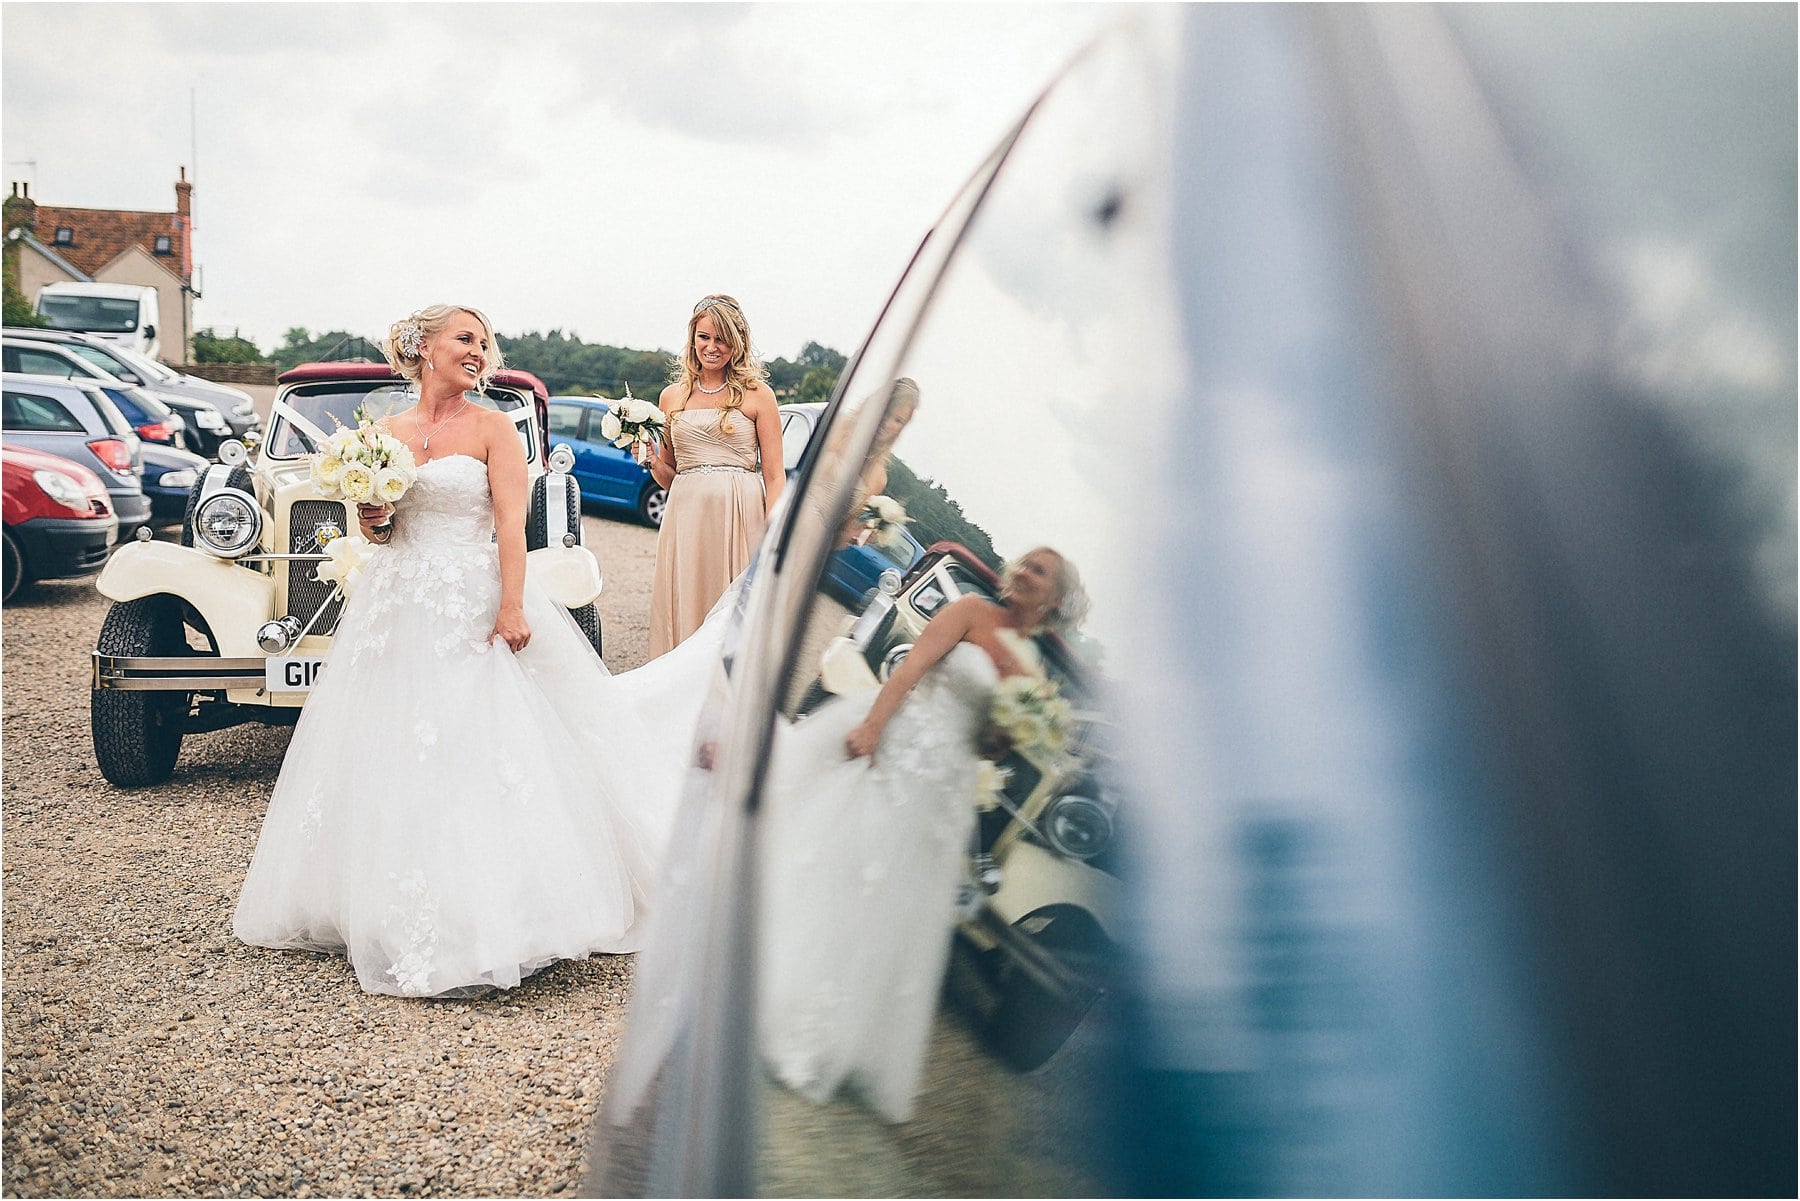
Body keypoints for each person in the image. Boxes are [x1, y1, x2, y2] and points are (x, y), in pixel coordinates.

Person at [232, 304, 693, 998]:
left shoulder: (494, 428)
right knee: (393, 747)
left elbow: (512, 524)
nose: (479, 351)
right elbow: (385, 535)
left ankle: (495, 914)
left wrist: (511, 604)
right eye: (465, 339)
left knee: (474, 745)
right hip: (399, 602)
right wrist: (375, 517)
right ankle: (387, 904)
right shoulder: (386, 433)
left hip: (472, 600)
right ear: (424, 348)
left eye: (484, 342)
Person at [756, 546, 1089, 1122]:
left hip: (945, 788)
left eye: (1036, 571)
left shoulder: (1034, 673)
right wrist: (872, 727)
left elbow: (988, 745)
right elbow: (911, 671)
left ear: (1054, 598)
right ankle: (774, 991)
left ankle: (831, 1030)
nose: (1020, 572)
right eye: (1021, 563)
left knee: (890, 907)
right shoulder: (968, 611)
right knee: (846, 866)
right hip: (904, 745)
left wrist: (1008, 734)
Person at [644, 295, 785, 657]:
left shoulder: (758, 395)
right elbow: (671, 476)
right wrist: (651, 461)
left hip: (740, 516)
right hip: (685, 517)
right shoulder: (670, 397)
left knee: (733, 610)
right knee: (688, 602)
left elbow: (774, 476)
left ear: (736, 342)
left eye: (721, 339)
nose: (712, 347)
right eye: (705, 337)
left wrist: (772, 535)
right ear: (693, 338)